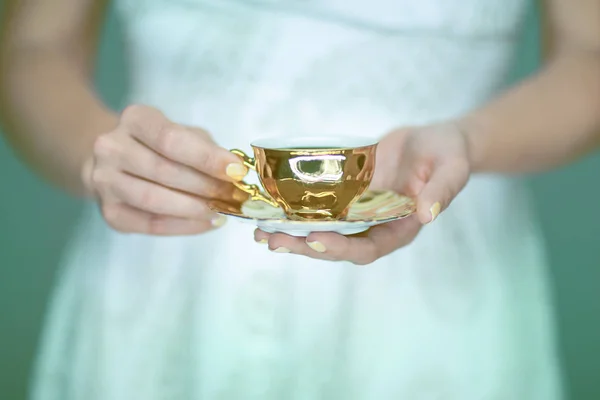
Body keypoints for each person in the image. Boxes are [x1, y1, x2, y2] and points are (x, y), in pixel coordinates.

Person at [1, 0, 598, 398]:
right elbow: (33, 44)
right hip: (158, 258)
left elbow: (589, 53)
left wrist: (470, 140)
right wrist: (101, 154)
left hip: (435, 281)